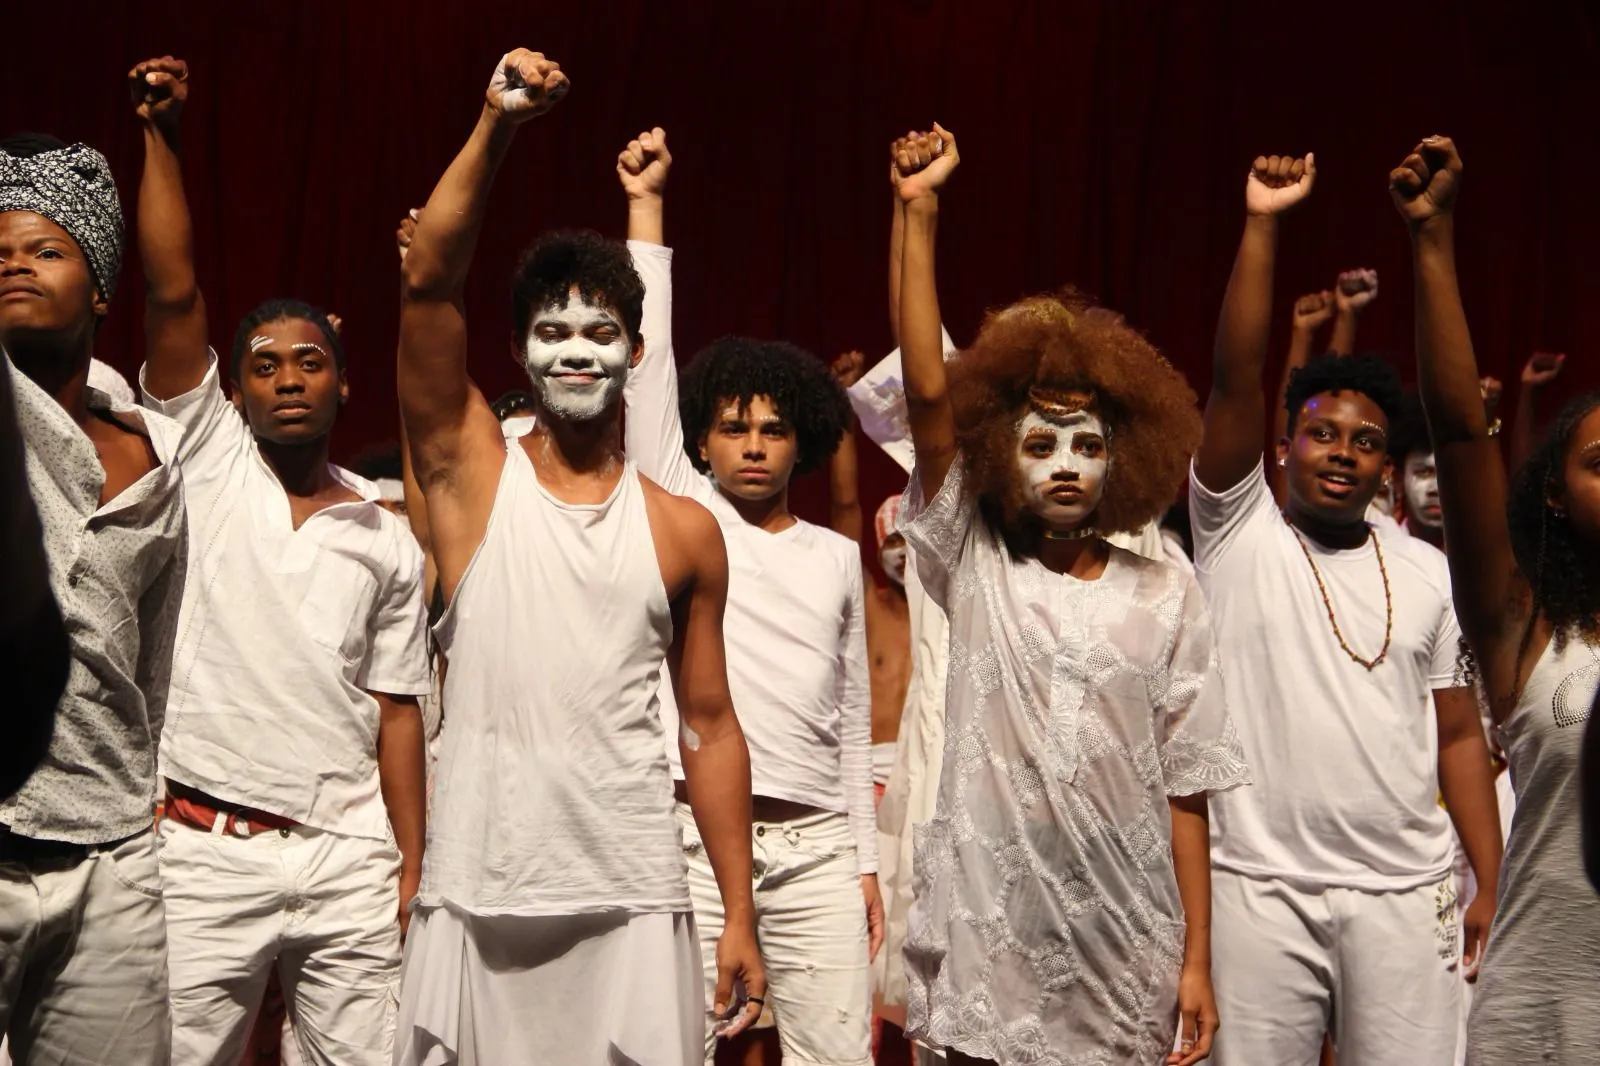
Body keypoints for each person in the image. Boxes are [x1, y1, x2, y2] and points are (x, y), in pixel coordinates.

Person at [394, 50, 764, 1065]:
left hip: (631, 893)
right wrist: (497, 124)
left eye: (600, 330)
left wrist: (738, 908)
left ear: (633, 353)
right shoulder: (474, 482)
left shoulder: (684, 530)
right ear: (516, 351)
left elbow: (710, 722)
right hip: (478, 886)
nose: (575, 349)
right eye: (551, 330)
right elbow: (429, 278)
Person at [892, 124, 1248, 1066]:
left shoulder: (1167, 594)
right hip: (988, 929)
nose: (1065, 465)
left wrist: (1198, 961)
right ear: (1002, 449)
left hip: (1125, 937)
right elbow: (929, 395)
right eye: (1042, 443)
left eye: (1088, 445)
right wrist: (918, 210)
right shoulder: (975, 560)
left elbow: (1188, 791)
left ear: (1121, 460)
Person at [127, 57, 431, 1066]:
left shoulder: (384, 530)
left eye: (308, 363)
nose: (286, 380)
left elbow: (397, 707)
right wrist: (164, 136)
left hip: (349, 856)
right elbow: (172, 294)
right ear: (237, 391)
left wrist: (409, 862)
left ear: (343, 385)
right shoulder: (206, 459)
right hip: (206, 850)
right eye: (263, 366)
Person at [1191, 150, 1504, 1066]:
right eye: (1321, 433)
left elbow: (1456, 736)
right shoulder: (1237, 529)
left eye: (1366, 443)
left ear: (1384, 467)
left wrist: (1491, 875)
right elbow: (1233, 378)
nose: (1342, 451)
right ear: (1284, 448)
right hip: (1258, 888)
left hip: (1405, 896)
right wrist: (1263, 223)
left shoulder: (1426, 571)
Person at [618, 126, 879, 1066]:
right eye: (733, 429)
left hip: (814, 849)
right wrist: (646, 211)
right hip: (686, 839)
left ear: (802, 441)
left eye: (773, 429)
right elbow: (647, 370)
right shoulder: (688, 516)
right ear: (703, 443)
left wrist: (864, 862)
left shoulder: (834, 558)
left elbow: (850, 718)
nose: (755, 445)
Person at [1393, 133, 1600, 1066]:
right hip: (1543, 1011)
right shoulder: (1532, 633)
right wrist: (1433, 244)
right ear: (1553, 492)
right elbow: (1464, 443)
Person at [0, 130, 187, 1065]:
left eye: (45, 248)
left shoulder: (155, 461)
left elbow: (151, 657)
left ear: (100, 286)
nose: (15, 265)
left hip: (109, 844)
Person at [828, 349, 913, 797]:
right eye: (893, 542)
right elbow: (846, 507)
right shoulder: (868, 608)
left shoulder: (951, 615)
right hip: (871, 775)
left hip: (929, 772)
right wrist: (843, 408)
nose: (903, 555)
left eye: (912, 544)